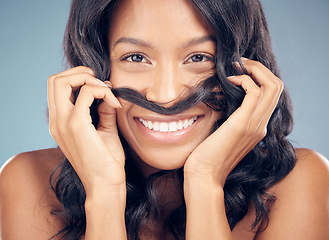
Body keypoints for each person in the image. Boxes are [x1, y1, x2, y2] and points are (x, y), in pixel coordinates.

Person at [1, 0, 328, 239]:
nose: (166, 95)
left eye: (198, 57)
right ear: (97, 68)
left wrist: (205, 183)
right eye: (136, 57)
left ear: (243, 68)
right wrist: (103, 194)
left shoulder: (299, 184)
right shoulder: (27, 182)